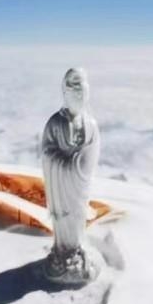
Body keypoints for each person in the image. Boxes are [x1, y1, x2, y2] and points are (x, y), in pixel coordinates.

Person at [41, 67, 101, 284]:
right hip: (60, 190)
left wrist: (78, 166)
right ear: (64, 91)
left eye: (81, 87)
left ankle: (77, 249)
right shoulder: (54, 124)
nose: (78, 93)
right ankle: (61, 252)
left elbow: (92, 153)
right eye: (73, 87)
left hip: (79, 188)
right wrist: (66, 164)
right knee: (63, 219)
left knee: (77, 216)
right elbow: (47, 153)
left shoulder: (91, 125)